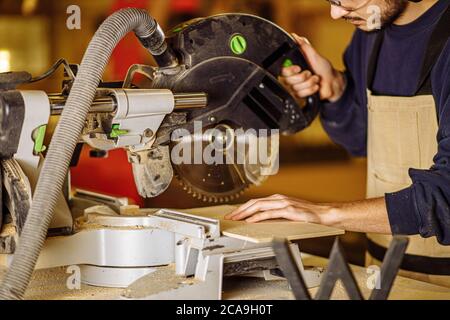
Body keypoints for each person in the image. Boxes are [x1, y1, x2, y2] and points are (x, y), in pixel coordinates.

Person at [225, 0, 450, 286]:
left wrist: (324, 213)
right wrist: (334, 89)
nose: (336, 13)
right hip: (385, 268)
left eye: (345, 1)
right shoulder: (372, 30)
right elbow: (363, 141)